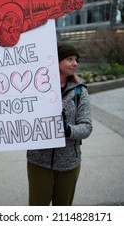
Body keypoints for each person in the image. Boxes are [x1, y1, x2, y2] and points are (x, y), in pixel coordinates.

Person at [26, 41, 93, 206]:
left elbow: (87, 127)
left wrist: (68, 130)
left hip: (69, 164)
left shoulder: (79, 91)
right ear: (55, 61)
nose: (75, 63)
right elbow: (16, 113)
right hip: (38, 162)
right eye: (69, 59)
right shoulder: (35, 88)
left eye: (76, 59)